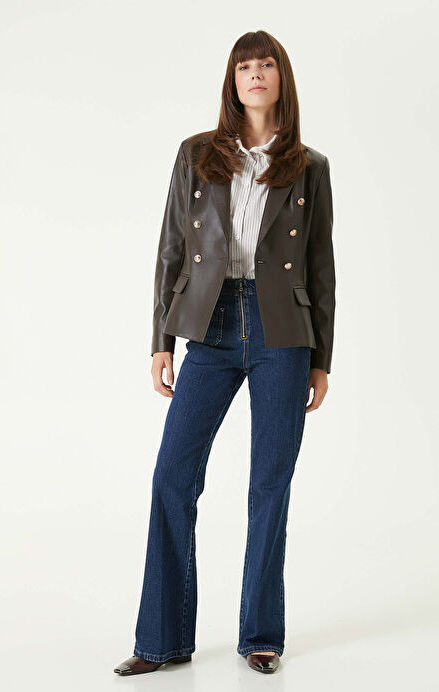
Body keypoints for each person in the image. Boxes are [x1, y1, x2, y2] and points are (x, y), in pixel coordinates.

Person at [114, 29, 335, 677]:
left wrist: (321, 359)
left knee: (270, 482)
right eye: (244, 66)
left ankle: (260, 635)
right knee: (172, 476)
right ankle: (161, 640)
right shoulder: (196, 154)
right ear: (232, 81)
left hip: (282, 332)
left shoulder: (310, 166)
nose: (255, 74)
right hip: (207, 327)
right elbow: (170, 249)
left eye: (265, 64)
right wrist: (161, 340)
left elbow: (320, 267)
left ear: (280, 77)